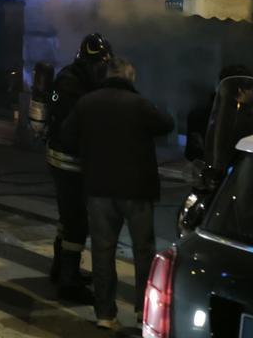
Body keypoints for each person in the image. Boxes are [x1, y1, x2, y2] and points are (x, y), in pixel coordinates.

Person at [61, 57, 174, 330]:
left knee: (102, 251)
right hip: (136, 190)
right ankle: (142, 310)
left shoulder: (87, 103)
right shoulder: (139, 104)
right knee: (143, 251)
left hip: (99, 189)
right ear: (129, 76)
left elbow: (66, 137)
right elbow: (166, 124)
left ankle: (105, 314)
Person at [45, 32, 113, 301]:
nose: (101, 69)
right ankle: (69, 281)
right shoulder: (70, 84)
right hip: (68, 161)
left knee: (68, 218)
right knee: (76, 221)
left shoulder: (78, 80)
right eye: (98, 64)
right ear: (86, 61)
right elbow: (76, 126)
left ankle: (60, 268)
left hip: (69, 159)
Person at [184, 63, 253, 163]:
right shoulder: (246, 118)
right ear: (241, 91)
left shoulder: (197, 114)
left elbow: (191, 154)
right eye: (250, 88)